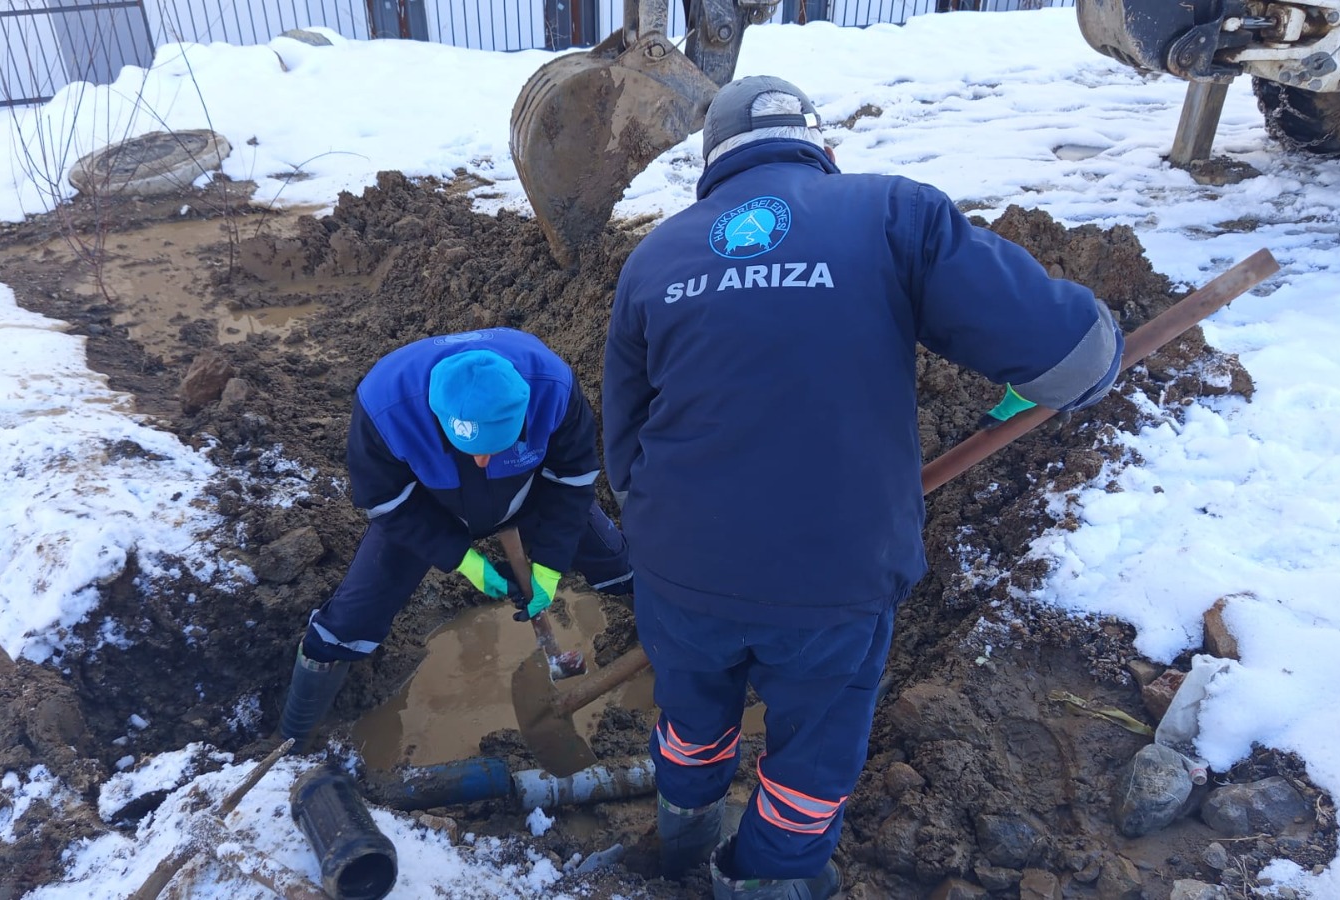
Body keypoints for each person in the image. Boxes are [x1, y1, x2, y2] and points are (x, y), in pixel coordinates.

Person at [602, 76, 1124, 898]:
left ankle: (681, 851)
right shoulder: (892, 216)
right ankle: (763, 882)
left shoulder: (654, 255)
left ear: (711, 164)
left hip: (679, 569)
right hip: (833, 576)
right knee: (811, 761)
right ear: (822, 149)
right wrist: (1095, 361)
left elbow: (623, 443)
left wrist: (677, 540)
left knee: (693, 721)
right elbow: (1073, 357)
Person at [279, 327, 633, 747]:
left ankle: (671, 642)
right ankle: (294, 740)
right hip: (431, 505)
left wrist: (551, 566)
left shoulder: (552, 388)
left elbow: (572, 478)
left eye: (496, 446)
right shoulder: (385, 405)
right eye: (472, 448)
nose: (483, 460)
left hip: (530, 489)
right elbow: (387, 501)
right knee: (351, 620)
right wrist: (462, 559)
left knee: (618, 564)